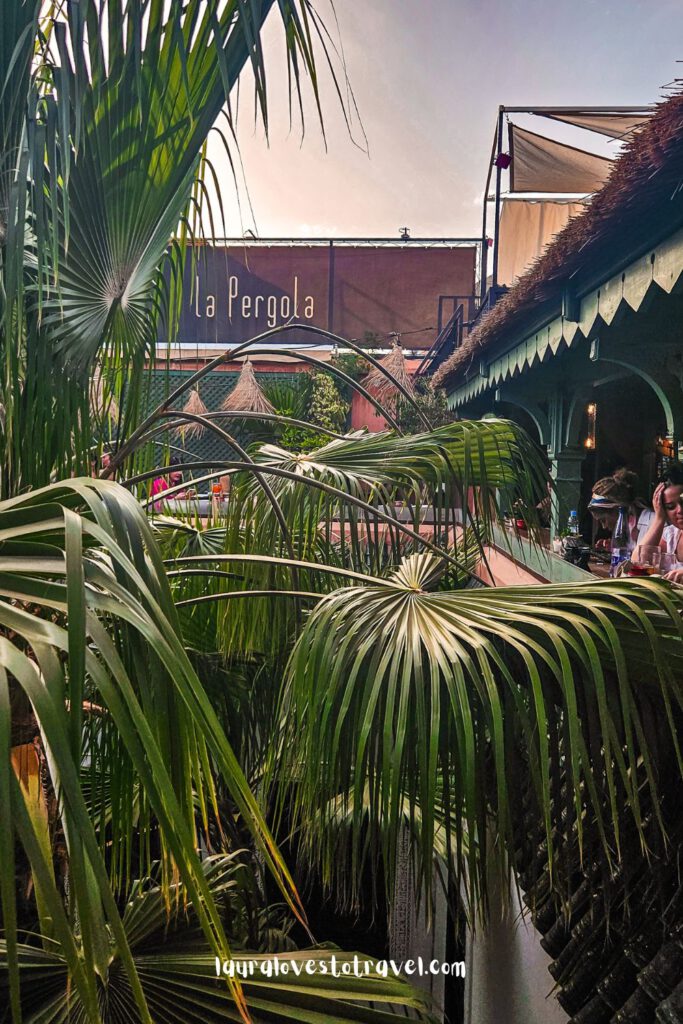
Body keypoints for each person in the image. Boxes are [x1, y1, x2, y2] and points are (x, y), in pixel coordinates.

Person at [587, 468, 653, 551]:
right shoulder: (629, 524)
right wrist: (613, 546)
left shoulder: (651, 522)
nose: (604, 527)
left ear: (618, 509)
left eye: (603, 520)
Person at [638, 462, 683, 581]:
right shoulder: (671, 535)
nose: (680, 510)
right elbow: (638, 564)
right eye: (670, 507)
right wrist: (659, 518)